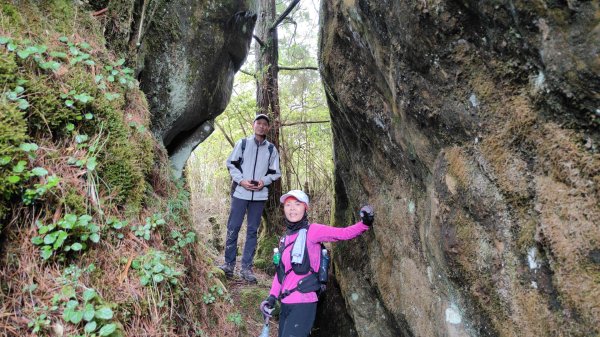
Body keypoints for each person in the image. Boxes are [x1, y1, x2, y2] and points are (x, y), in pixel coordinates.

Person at [259, 190, 374, 337]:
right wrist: (272, 297)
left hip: (304, 301)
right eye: (288, 205)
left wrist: (364, 224)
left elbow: (343, 233)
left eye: (297, 204)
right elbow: (280, 274)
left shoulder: (313, 231)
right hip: (285, 304)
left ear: (305, 208)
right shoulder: (284, 239)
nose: (292, 208)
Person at [219, 114, 281, 282]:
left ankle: (246, 268)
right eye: (258, 123)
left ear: (268, 128)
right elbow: (231, 163)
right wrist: (241, 181)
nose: (261, 126)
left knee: (252, 231)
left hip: (259, 196)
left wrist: (264, 181)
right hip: (240, 193)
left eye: (264, 124)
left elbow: (275, 172)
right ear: (253, 125)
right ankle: (228, 265)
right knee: (233, 227)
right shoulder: (243, 143)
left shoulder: (271, 149)